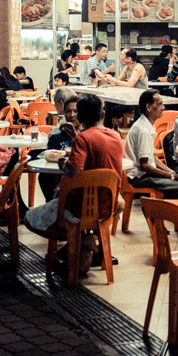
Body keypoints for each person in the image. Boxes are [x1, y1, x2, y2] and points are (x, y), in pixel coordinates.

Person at [24, 94, 124, 275]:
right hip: (108, 206)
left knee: (30, 219)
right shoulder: (116, 136)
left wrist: (63, 164)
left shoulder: (83, 139)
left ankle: (82, 239)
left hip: (79, 208)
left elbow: (74, 171)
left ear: (80, 116)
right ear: (102, 115)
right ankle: (82, 246)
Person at [125, 89, 178, 199]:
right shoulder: (143, 130)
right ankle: (154, 211)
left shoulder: (148, 125)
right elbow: (145, 165)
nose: (163, 108)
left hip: (144, 173)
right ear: (148, 107)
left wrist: (171, 172)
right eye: (159, 104)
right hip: (138, 177)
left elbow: (152, 156)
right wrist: (170, 176)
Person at [39, 95, 81, 202]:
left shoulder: (88, 136)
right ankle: (52, 204)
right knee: (43, 176)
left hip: (85, 178)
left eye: (76, 111)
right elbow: (49, 159)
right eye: (68, 111)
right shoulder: (56, 138)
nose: (72, 115)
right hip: (63, 177)